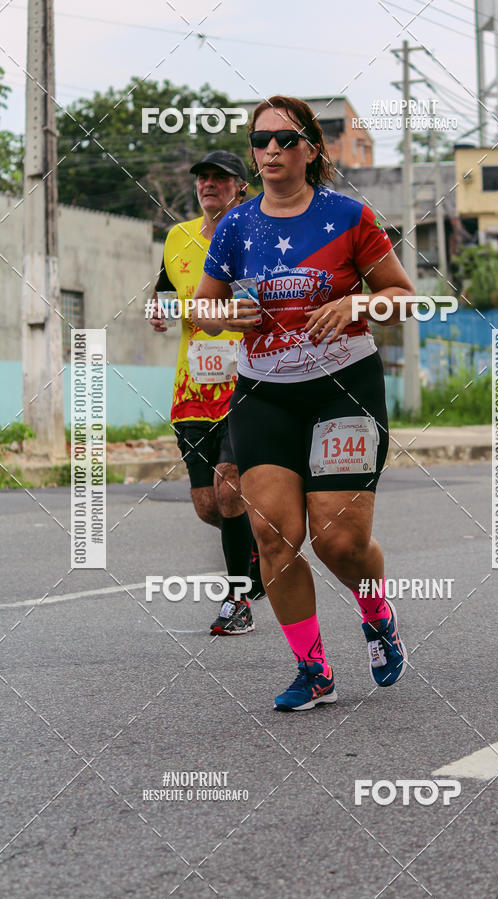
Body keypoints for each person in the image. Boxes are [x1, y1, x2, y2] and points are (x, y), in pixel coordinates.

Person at [192, 97, 415, 708]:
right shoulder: (237, 226)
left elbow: (402, 296)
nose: (269, 151)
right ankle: (313, 669)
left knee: (338, 542)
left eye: (284, 140)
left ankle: (376, 615)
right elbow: (200, 307)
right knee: (274, 536)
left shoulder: (349, 216)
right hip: (264, 392)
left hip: (343, 387)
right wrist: (220, 314)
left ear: (311, 150)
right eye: (260, 141)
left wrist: (358, 304)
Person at [150, 150, 264, 636]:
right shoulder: (177, 237)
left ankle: (238, 599)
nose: (209, 185)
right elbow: (164, 292)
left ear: (240, 186)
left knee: (230, 488)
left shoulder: (257, 233)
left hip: (249, 382)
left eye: (221, 178)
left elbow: (262, 305)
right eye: (203, 179)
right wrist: (157, 311)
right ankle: (258, 547)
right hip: (192, 387)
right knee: (207, 505)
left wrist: (224, 316)